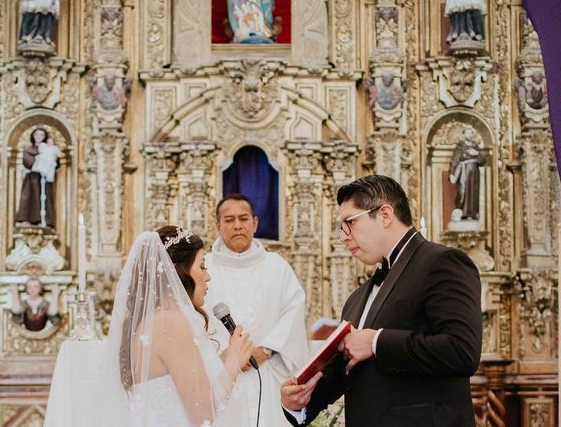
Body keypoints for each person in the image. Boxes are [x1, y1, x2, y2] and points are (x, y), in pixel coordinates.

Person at [281, 175, 482, 427]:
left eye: (349, 223)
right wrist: (300, 400)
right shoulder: (356, 298)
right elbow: (348, 369)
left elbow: (461, 350)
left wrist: (376, 341)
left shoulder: (442, 262)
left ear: (385, 214)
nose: (343, 236)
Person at [93, 226, 255, 426]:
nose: (207, 276)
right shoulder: (170, 323)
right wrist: (233, 361)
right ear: (180, 271)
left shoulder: (157, 320)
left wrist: (224, 359)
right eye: (202, 266)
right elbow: (204, 414)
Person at [205, 194, 308, 426]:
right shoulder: (205, 267)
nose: (237, 225)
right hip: (220, 375)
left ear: (255, 223)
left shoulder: (276, 266)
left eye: (243, 218)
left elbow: (293, 310)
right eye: (229, 220)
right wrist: (228, 358)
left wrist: (266, 349)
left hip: (268, 373)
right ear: (217, 226)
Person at [16, 127, 57, 228]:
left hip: (44, 178)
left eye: (41, 134)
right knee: (30, 198)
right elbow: (29, 162)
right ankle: (26, 218)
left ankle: (45, 220)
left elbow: (55, 162)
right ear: (33, 136)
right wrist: (42, 160)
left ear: (45, 137)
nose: (39, 137)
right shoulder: (29, 150)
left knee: (44, 198)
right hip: (32, 179)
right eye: (37, 134)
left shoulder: (48, 149)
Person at [449, 126, 486, 221]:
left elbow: (483, 161)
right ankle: (462, 212)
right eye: (467, 133)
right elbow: (455, 160)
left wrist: (477, 154)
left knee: (473, 192)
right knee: (463, 191)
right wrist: (452, 173)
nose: (469, 135)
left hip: (474, 173)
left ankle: (472, 213)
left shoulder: (476, 147)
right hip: (463, 172)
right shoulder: (460, 146)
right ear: (464, 134)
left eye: (471, 133)